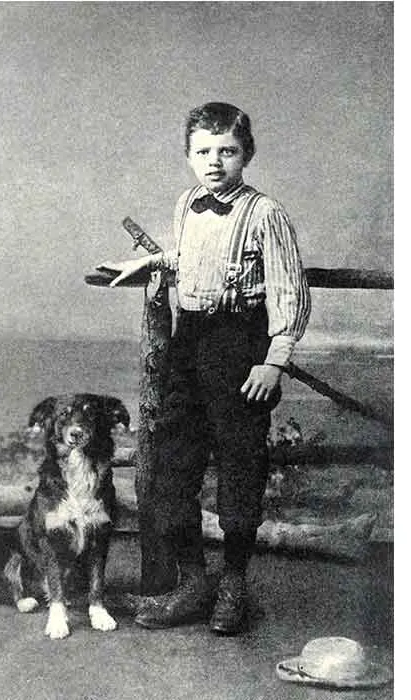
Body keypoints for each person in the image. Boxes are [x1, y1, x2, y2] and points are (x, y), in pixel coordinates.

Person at [100, 102, 311, 635]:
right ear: (189, 155)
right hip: (189, 344)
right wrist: (151, 262)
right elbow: (191, 259)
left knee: (240, 466)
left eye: (227, 151)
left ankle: (233, 584)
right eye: (203, 151)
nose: (214, 161)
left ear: (246, 154)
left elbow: (291, 291)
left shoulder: (266, 213)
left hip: (240, 346)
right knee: (174, 466)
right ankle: (193, 582)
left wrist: (274, 360)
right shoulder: (188, 202)